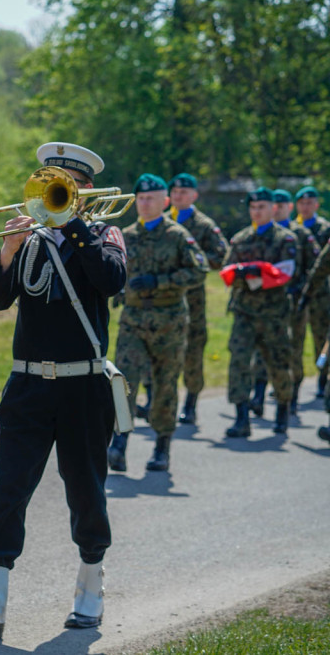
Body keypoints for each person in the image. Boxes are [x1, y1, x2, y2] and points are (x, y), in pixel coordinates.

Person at [0, 142, 126, 639]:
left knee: (85, 489)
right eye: (50, 182)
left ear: (86, 190)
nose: (55, 192)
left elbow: (111, 280)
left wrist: (71, 225)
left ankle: (91, 587)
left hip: (83, 386)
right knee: (8, 488)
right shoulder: (29, 239)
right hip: (28, 384)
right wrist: (7, 250)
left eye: (66, 185)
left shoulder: (103, 233)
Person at [108, 174, 207, 473]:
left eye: (151, 198)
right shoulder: (125, 235)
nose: (145, 203)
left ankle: (162, 447)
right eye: (140, 198)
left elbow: (199, 270)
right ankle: (119, 444)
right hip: (133, 320)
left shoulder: (177, 235)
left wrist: (161, 281)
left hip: (169, 322)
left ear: (165, 201)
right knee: (124, 381)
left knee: (165, 384)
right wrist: (119, 289)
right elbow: (115, 270)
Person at [224, 188, 297, 437]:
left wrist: (254, 273)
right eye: (253, 207)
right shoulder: (240, 239)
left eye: (262, 207)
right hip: (244, 312)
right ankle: (241, 417)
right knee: (239, 362)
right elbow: (228, 271)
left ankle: (282, 410)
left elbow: (285, 273)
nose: (257, 212)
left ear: (273, 209)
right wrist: (248, 274)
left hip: (274, 315)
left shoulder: (285, 239)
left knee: (278, 363)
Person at [165, 172, 228, 424]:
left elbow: (221, 254)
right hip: (162, 298)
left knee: (192, 349)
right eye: (175, 192)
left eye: (184, 192)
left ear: (194, 195)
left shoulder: (203, 225)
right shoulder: (160, 220)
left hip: (192, 299)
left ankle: (190, 403)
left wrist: (192, 262)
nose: (178, 196)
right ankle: (156, 401)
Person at [249, 189, 318, 416]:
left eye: (280, 206)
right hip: (266, 303)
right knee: (261, 349)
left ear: (287, 208)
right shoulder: (261, 233)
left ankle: (292, 395)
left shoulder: (300, 234)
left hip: (294, 302)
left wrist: (303, 290)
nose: (276, 210)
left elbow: (315, 267)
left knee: (292, 349)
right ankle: (258, 395)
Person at [294, 186, 330, 398]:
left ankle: (323, 379)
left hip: (321, 294)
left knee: (321, 335)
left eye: (309, 203)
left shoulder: (325, 228)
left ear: (316, 205)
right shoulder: (291, 228)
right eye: (301, 203)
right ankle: (292, 381)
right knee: (295, 338)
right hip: (297, 292)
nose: (305, 207)